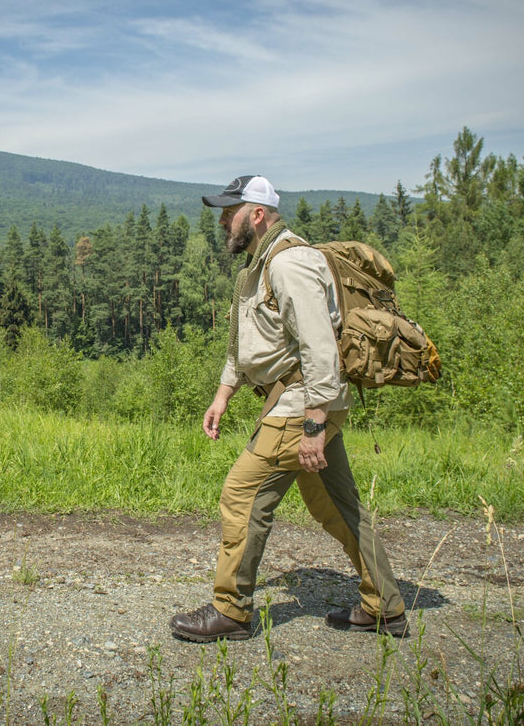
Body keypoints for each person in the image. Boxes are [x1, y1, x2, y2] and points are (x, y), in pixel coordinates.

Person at [169, 175, 408, 642]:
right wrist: (224, 395)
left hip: (303, 405)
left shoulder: (290, 263)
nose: (221, 220)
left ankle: (231, 612)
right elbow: (252, 344)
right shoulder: (262, 264)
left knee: (243, 494)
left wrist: (315, 423)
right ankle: (385, 605)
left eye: (228, 211)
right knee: (336, 506)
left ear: (256, 214)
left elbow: (319, 348)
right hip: (301, 402)